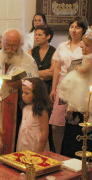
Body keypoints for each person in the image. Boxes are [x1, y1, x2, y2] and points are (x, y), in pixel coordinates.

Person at [49, 16, 88, 154]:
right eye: (72, 26)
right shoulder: (62, 46)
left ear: (84, 30)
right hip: (63, 85)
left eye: (78, 27)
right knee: (56, 124)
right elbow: (57, 69)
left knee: (75, 123)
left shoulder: (86, 46)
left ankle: (72, 153)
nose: (74, 30)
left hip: (79, 86)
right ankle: (58, 154)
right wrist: (54, 88)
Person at [58, 26, 92, 158]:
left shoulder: (89, 58)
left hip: (86, 89)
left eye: (86, 46)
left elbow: (84, 70)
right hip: (82, 90)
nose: (83, 47)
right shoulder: (86, 56)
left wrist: (78, 68)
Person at [16, 78, 52, 153]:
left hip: (35, 143)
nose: (23, 95)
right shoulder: (25, 108)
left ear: (36, 94)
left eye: (27, 93)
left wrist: (39, 151)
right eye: (22, 92)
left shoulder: (41, 110)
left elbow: (44, 131)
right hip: (23, 141)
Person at [28, 25, 55, 94]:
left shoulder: (54, 52)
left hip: (48, 88)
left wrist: (35, 73)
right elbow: (28, 71)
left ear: (48, 36)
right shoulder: (31, 51)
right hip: (33, 87)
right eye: (36, 35)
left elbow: (52, 73)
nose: (36, 37)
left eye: (40, 35)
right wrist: (43, 75)